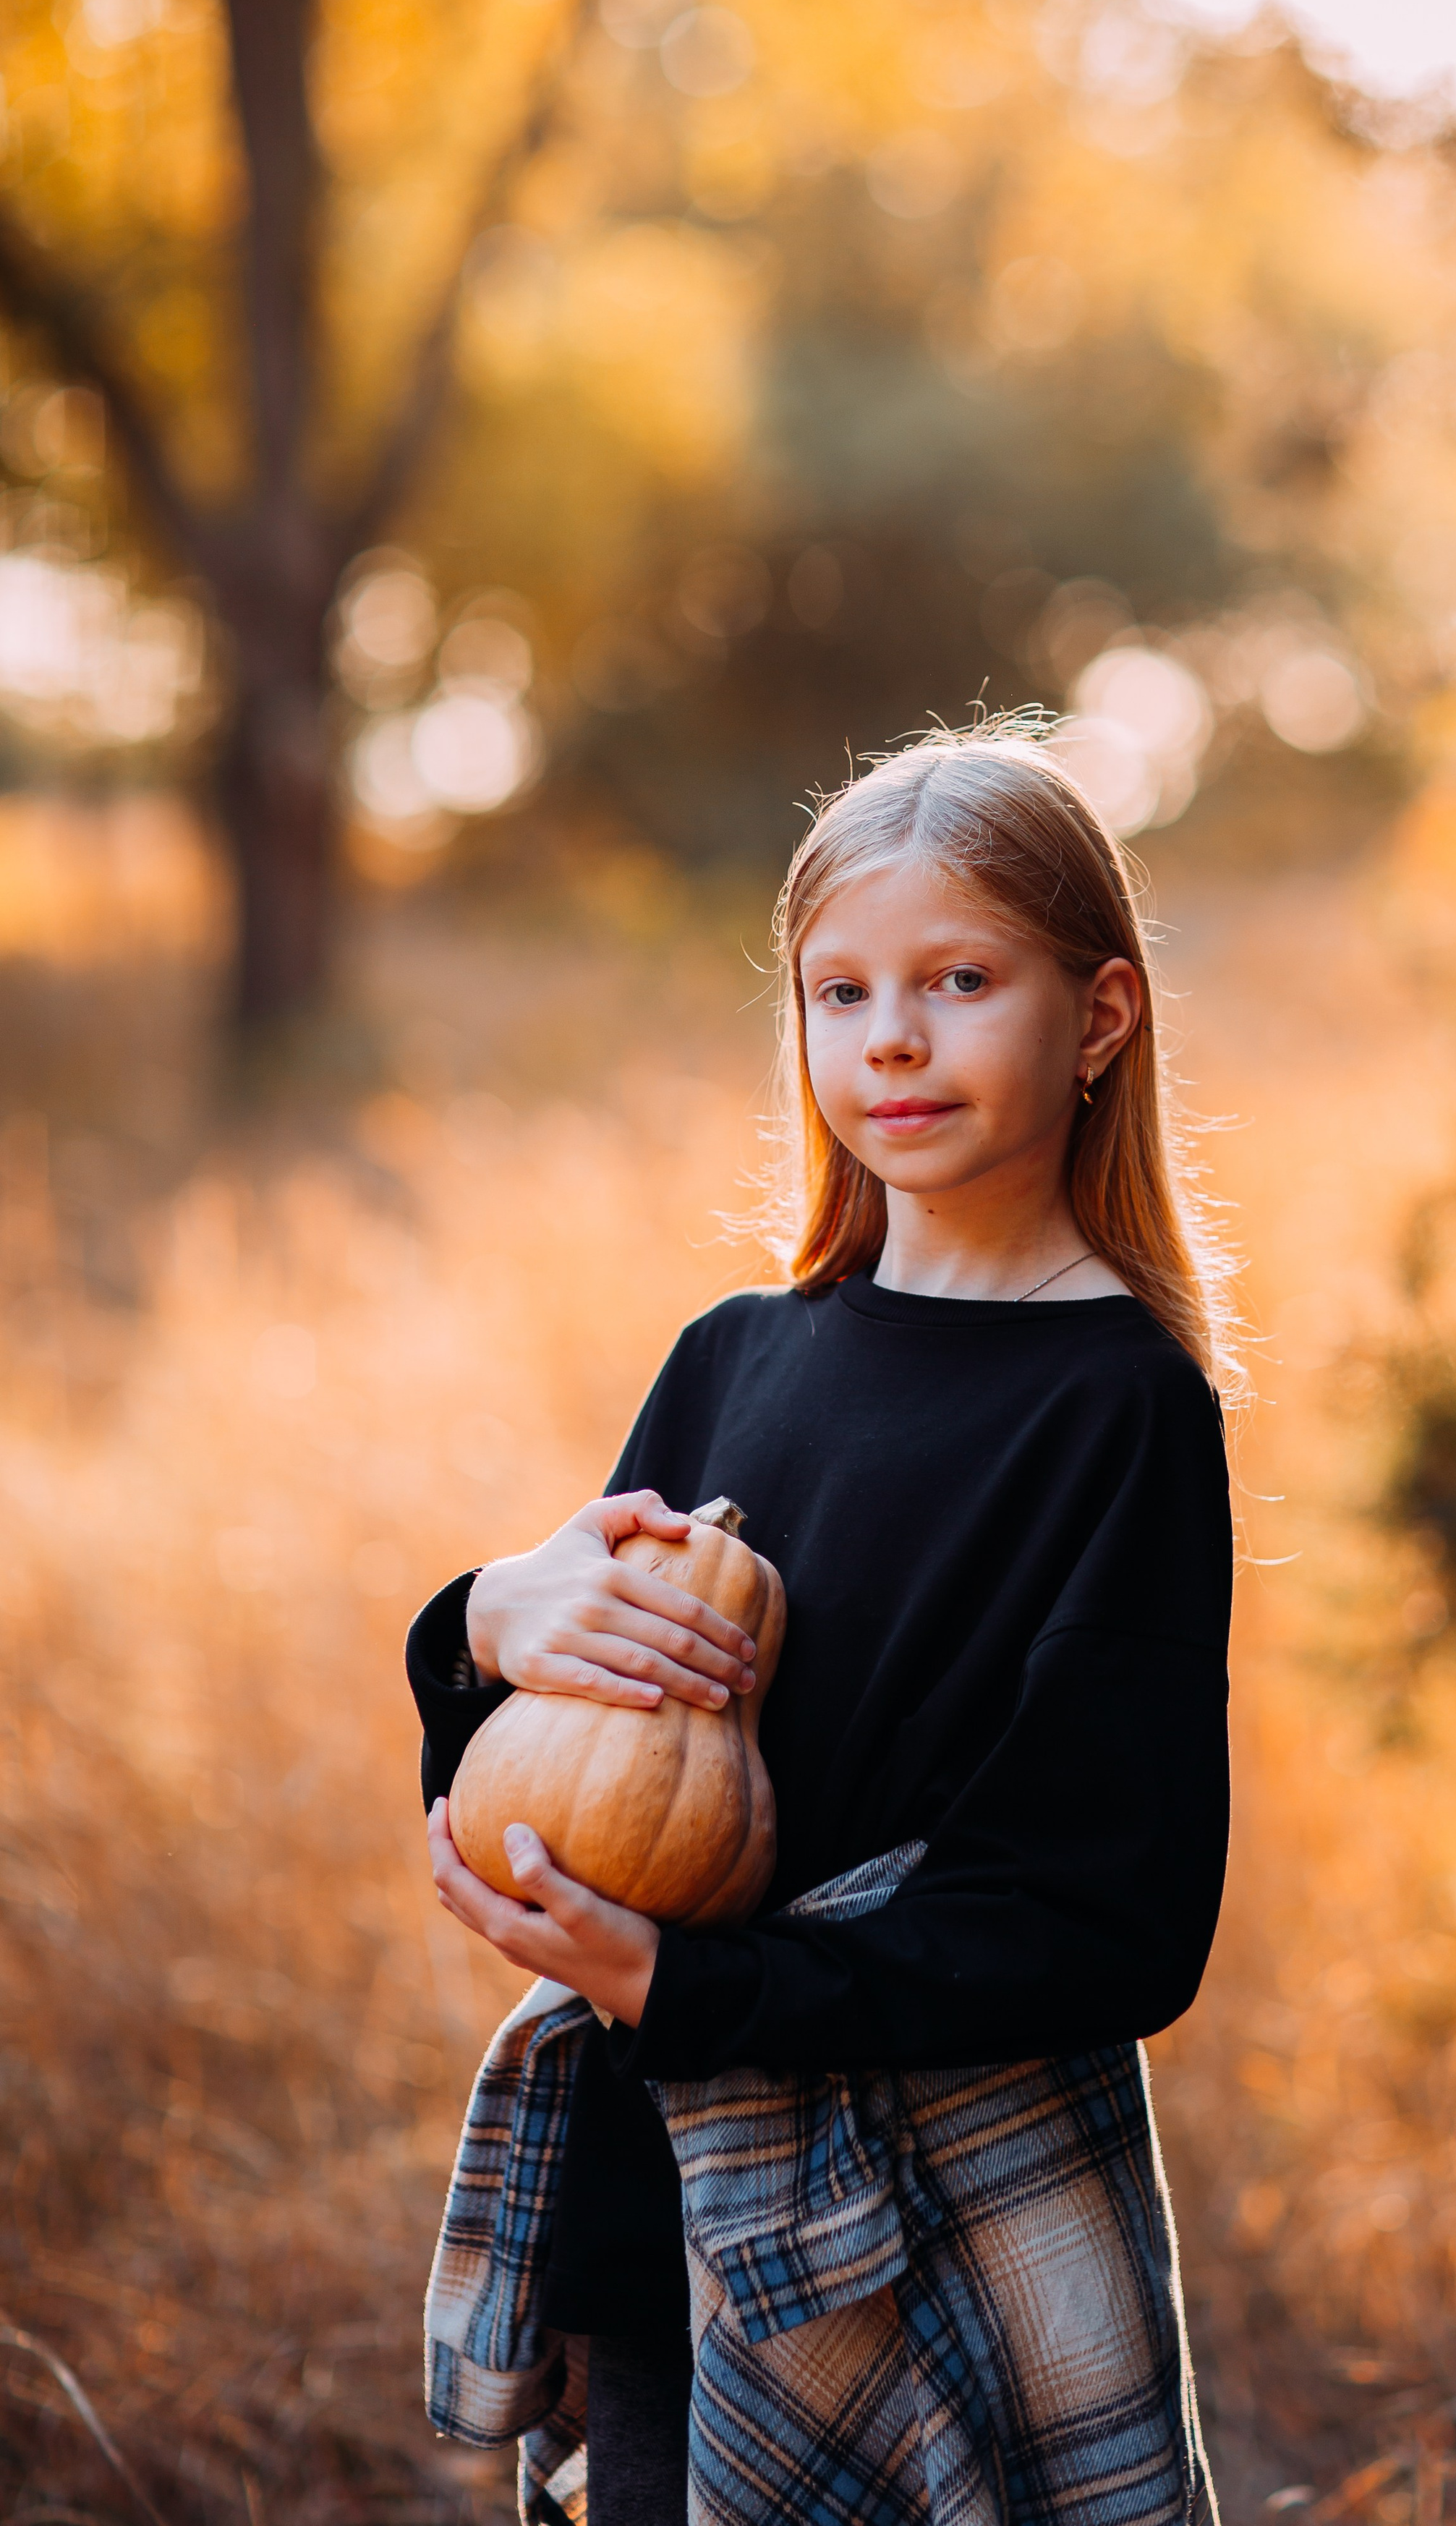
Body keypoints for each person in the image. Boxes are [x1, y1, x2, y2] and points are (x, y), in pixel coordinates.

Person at [409, 722, 1237, 2526]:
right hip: (676, 2195)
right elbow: (555, 1742)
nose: (894, 1039)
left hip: (942, 2223)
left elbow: (1108, 1915)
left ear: (1097, 1015)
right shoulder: (732, 1356)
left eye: (959, 979)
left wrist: (693, 1984)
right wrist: (476, 1620)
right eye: (839, 988)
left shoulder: (1116, 1406)